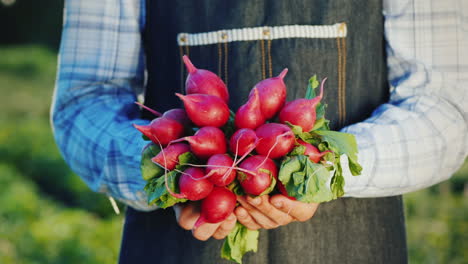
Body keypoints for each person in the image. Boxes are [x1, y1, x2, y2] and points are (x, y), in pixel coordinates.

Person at [51, 0, 468, 263]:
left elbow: (445, 111)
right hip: (174, 246)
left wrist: (323, 168)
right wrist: (170, 173)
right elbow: (84, 103)